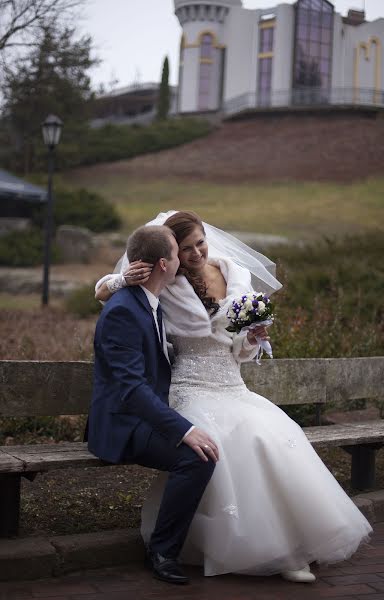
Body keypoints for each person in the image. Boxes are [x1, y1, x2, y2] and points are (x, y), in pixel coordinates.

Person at [95, 211, 372, 582]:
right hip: (190, 385)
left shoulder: (233, 274)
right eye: (186, 248)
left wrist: (253, 340)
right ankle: (255, 551)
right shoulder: (166, 284)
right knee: (226, 444)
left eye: (201, 243)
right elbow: (105, 294)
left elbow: (238, 349)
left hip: (233, 386)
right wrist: (121, 278)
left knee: (274, 436)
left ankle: (289, 548)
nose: (196, 254)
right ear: (170, 256)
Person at [87, 224, 219, 586]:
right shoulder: (123, 311)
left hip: (144, 414)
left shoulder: (149, 303)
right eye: (178, 253)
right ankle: (163, 551)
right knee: (196, 458)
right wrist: (184, 429)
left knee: (206, 444)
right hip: (123, 424)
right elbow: (131, 390)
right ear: (164, 263)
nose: (183, 260)